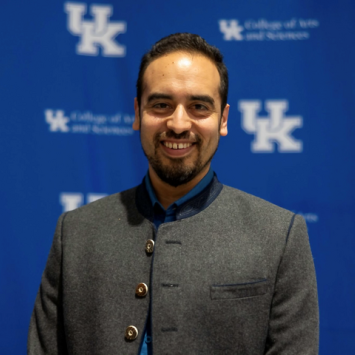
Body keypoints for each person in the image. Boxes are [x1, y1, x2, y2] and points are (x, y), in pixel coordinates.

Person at [28, 33, 319, 354]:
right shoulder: (75, 232)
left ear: (222, 119)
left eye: (198, 106)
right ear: (138, 113)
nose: (178, 123)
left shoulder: (280, 236)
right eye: (161, 104)